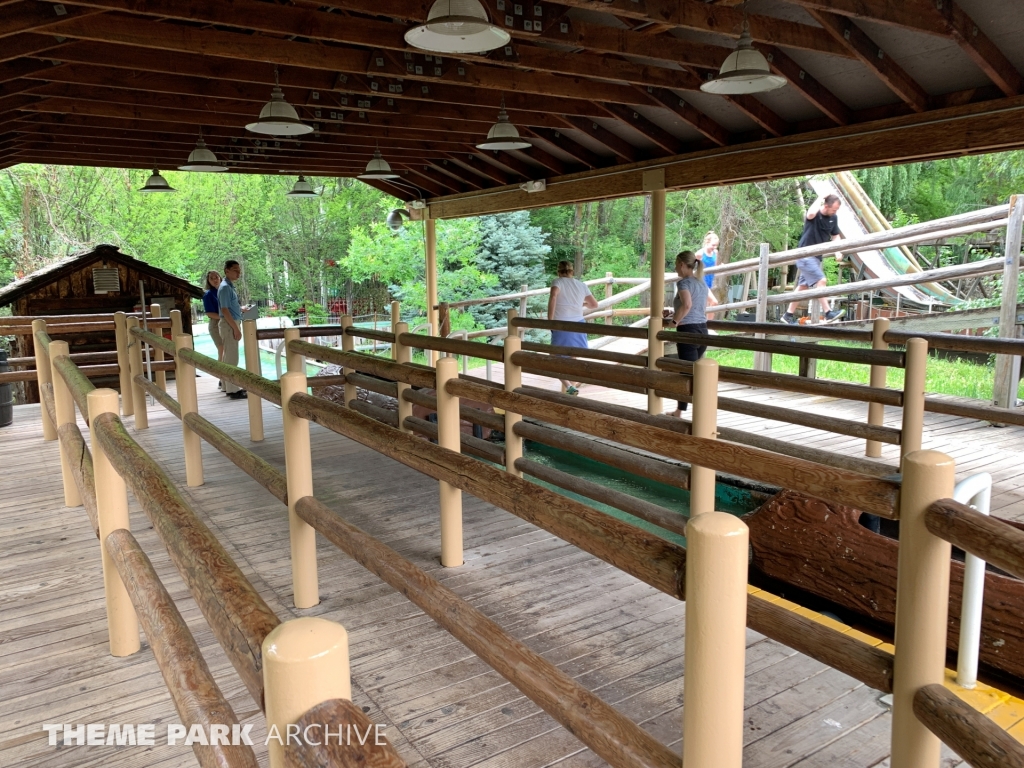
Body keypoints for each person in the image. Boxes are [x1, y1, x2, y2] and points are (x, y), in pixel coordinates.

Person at [782, 194, 845, 324]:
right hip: (805, 255)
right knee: (821, 281)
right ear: (826, 206)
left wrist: (838, 251)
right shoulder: (814, 215)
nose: (835, 212)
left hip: (816, 258)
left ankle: (787, 315)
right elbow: (810, 213)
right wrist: (821, 197)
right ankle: (828, 313)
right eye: (833, 209)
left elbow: (835, 236)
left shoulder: (834, 218)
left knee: (803, 287)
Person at [664, 251, 709, 418]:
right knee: (696, 372)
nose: (675, 268)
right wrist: (673, 313)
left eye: (676, 264)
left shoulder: (683, 284)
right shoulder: (701, 284)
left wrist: (674, 322)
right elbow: (697, 307)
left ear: (682, 264)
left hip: (687, 331)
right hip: (702, 330)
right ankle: (694, 411)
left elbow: (687, 305)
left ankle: (682, 412)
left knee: (686, 373)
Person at [547, 260, 598, 395]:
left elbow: (553, 297)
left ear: (558, 271)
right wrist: (581, 304)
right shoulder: (581, 285)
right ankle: (572, 393)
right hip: (578, 325)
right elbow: (594, 305)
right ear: (572, 271)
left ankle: (569, 387)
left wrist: (549, 320)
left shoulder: (557, 282)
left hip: (561, 325)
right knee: (573, 359)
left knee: (553, 360)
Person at [216, 260, 247, 399]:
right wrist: (236, 329)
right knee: (231, 357)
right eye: (235, 270)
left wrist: (240, 310)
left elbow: (229, 307)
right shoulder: (225, 288)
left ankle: (226, 385)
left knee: (228, 356)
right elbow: (224, 309)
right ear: (226, 270)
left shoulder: (229, 287)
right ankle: (233, 390)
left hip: (232, 322)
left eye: (239, 270)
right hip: (229, 324)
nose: (238, 273)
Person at [696, 230, 721, 320]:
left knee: (704, 306)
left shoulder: (715, 252)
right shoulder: (700, 254)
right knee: (714, 302)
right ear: (707, 242)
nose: (714, 247)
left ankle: (702, 326)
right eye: (713, 245)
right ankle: (709, 326)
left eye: (716, 245)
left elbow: (715, 266)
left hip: (709, 281)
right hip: (701, 281)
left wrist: (721, 266)